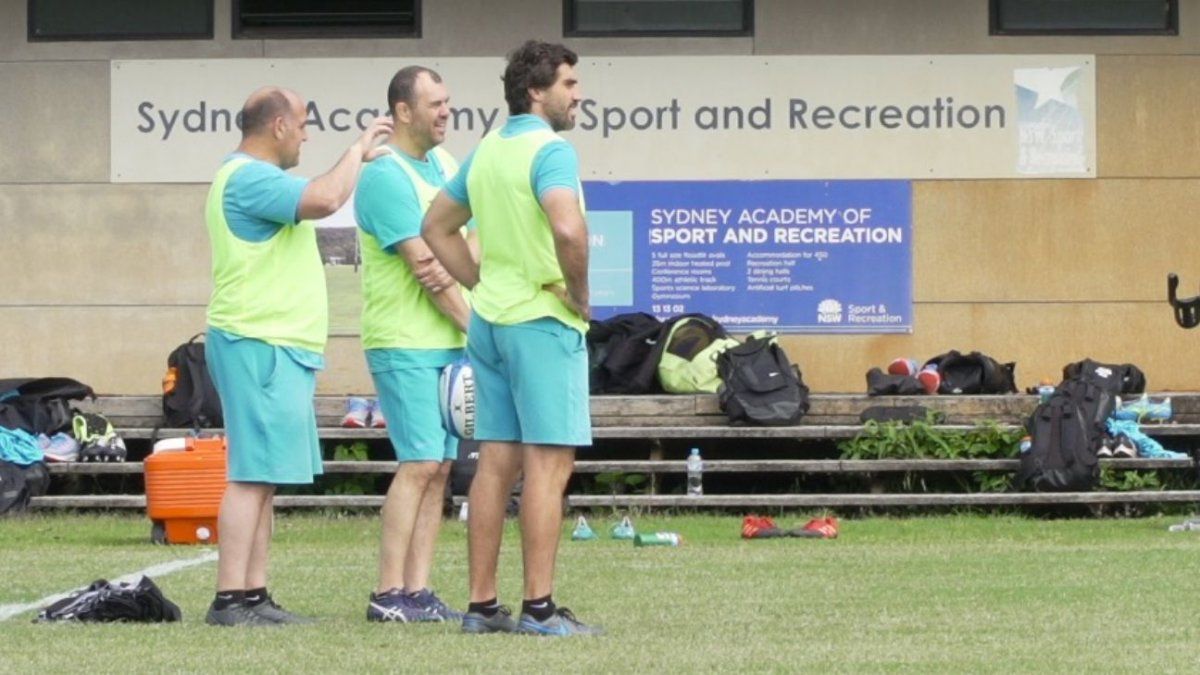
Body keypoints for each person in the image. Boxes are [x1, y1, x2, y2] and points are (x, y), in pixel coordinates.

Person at [422, 40, 600, 637]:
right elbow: (568, 228)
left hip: (491, 324)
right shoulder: (551, 150)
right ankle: (541, 610)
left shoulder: (488, 149)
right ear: (536, 91)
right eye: (569, 84)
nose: (577, 95)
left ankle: (481, 608)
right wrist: (578, 296)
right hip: (541, 323)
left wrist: (480, 280)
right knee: (549, 468)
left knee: (495, 464)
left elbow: (435, 227)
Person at [203, 86, 392, 626]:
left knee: (262, 474)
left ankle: (252, 595)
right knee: (249, 474)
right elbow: (326, 198)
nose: (308, 134)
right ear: (279, 126)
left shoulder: (249, 178)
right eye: (304, 124)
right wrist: (358, 149)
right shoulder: (250, 179)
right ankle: (230, 600)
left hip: (269, 344)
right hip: (257, 341)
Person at [355, 66, 473, 623]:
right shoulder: (384, 176)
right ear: (403, 111)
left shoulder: (446, 165)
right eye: (434, 103)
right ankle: (387, 595)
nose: (446, 111)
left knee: (442, 469)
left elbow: (465, 246)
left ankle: (418, 592)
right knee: (420, 462)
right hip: (402, 343)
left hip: (445, 344)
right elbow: (427, 265)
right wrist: (481, 330)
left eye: (447, 101)